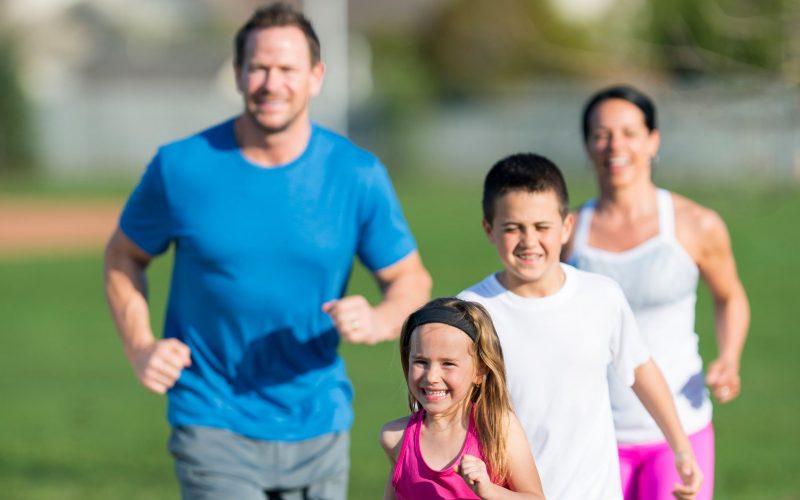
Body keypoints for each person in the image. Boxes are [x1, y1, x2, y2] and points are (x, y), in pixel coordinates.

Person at [103, 3, 432, 499]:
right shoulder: (181, 167)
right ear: (237, 73)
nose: (271, 83)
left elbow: (411, 280)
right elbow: (123, 256)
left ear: (316, 76)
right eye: (258, 67)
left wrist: (380, 319)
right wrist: (139, 345)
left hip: (319, 421)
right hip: (211, 415)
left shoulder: (356, 174)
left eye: (287, 69)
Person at [458, 153, 703, 500]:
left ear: (567, 227)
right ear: (489, 229)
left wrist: (680, 447)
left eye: (542, 227)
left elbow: (640, 368)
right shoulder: (471, 312)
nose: (529, 241)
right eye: (513, 228)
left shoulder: (600, 296)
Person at [563, 84, 750, 500]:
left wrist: (729, 358)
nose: (615, 146)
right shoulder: (567, 233)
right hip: (593, 437)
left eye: (629, 133)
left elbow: (730, 296)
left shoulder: (696, 224)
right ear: (587, 145)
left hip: (680, 432)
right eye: (602, 134)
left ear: (653, 141)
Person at [379, 297, 545, 500]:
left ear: (480, 371)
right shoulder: (395, 438)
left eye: (448, 363)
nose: (431, 377)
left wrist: (490, 491)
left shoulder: (497, 429)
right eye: (421, 362)